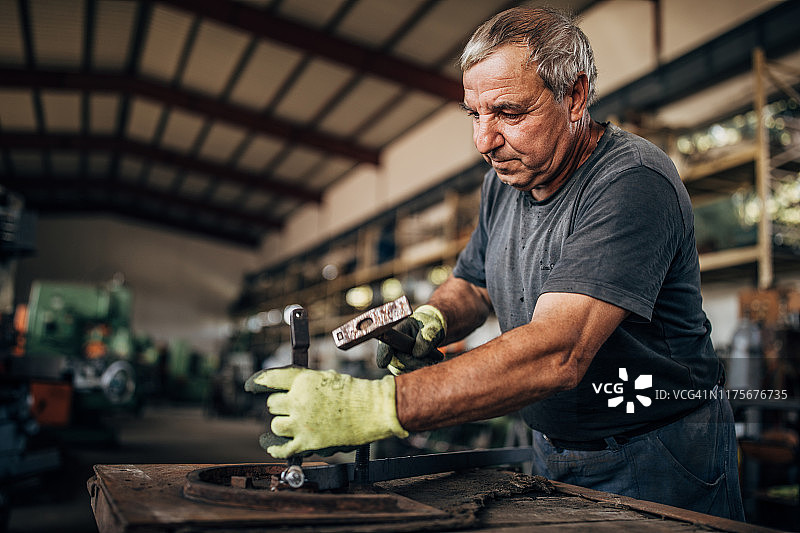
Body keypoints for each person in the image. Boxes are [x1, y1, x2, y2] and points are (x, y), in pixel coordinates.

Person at [246, 6, 745, 521]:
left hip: (655, 449)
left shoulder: (632, 181)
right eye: (474, 115)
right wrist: (431, 321)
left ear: (574, 97)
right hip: (553, 445)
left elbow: (558, 351)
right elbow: (473, 284)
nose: (484, 141)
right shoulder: (504, 183)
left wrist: (377, 406)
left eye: (508, 112)